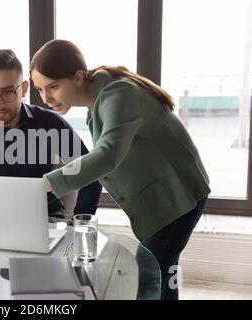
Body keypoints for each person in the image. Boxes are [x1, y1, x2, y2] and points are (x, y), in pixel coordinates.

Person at [30, 39, 210, 300]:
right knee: (163, 274)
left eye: (53, 87)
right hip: (166, 195)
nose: (46, 98)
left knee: (149, 273)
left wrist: (45, 184)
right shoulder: (100, 97)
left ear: (78, 77)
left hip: (179, 196)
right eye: (40, 89)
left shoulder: (118, 94)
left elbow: (107, 155)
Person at [0, 49, 102, 220]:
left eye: (8, 92)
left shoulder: (50, 124)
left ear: (23, 89)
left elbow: (91, 175)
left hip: (46, 221)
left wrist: (78, 224)